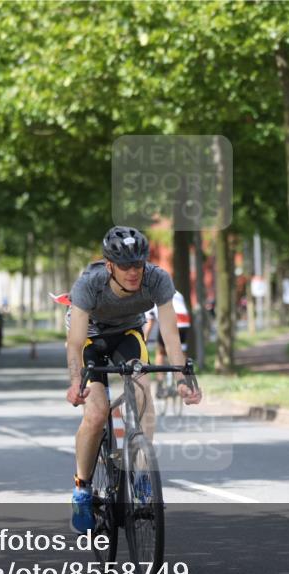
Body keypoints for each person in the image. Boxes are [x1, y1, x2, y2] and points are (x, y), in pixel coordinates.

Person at [64, 226, 202, 533]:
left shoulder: (157, 279)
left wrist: (183, 378)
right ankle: (82, 489)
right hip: (90, 338)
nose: (132, 272)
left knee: (142, 392)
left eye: (138, 264)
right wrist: (76, 382)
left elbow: (170, 335)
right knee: (97, 412)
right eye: (124, 266)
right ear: (110, 265)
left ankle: (140, 476)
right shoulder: (89, 285)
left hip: (128, 333)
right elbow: (74, 344)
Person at [144, 289, 191, 364]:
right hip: (184, 321)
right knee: (181, 351)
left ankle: (160, 375)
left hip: (170, 321)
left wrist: (144, 340)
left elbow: (150, 322)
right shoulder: (176, 292)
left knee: (160, 351)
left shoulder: (152, 296)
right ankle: (186, 374)